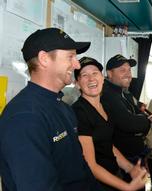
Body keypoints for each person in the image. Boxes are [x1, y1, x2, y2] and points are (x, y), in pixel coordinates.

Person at [0, 28, 97, 190]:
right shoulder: (24, 117)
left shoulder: (63, 107)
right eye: (70, 57)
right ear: (44, 59)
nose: (77, 64)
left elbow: (80, 169)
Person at [72, 56, 147, 191]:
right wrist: (126, 187)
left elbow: (107, 144)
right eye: (84, 75)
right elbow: (90, 165)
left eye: (95, 73)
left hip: (113, 173)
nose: (91, 79)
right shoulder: (79, 112)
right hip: (94, 183)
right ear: (77, 83)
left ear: (102, 78)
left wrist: (130, 168)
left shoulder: (105, 106)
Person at [101, 54, 152, 190]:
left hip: (134, 159)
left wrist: (142, 118)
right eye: (122, 70)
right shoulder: (108, 94)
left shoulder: (124, 93)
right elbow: (128, 124)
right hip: (122, 163)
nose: (128, 74)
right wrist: (147, 122)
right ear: (109, 73)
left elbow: (139, 111)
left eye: (129, 70)